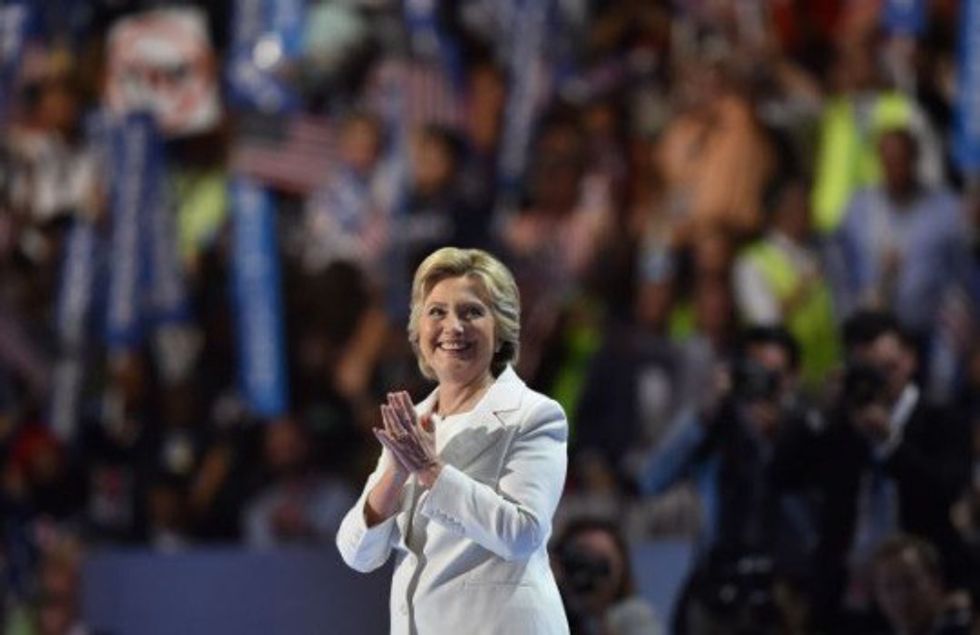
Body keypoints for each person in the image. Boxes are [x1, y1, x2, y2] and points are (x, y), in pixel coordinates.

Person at [336, 247, 570, 634]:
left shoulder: (534, 415)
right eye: (437, 312)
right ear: (418, 330)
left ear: (501, 330)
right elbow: (357, 553)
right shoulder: (413, 421)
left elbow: (523, 533)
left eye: (471, 312)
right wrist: (395, 473)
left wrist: (430, 470)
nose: (453, 327)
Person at [552, 517, 663, 635]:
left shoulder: (634, 617)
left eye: (601, 563)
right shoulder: (550, 613)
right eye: (579, 558)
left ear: (620, 568)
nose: (588, 572)